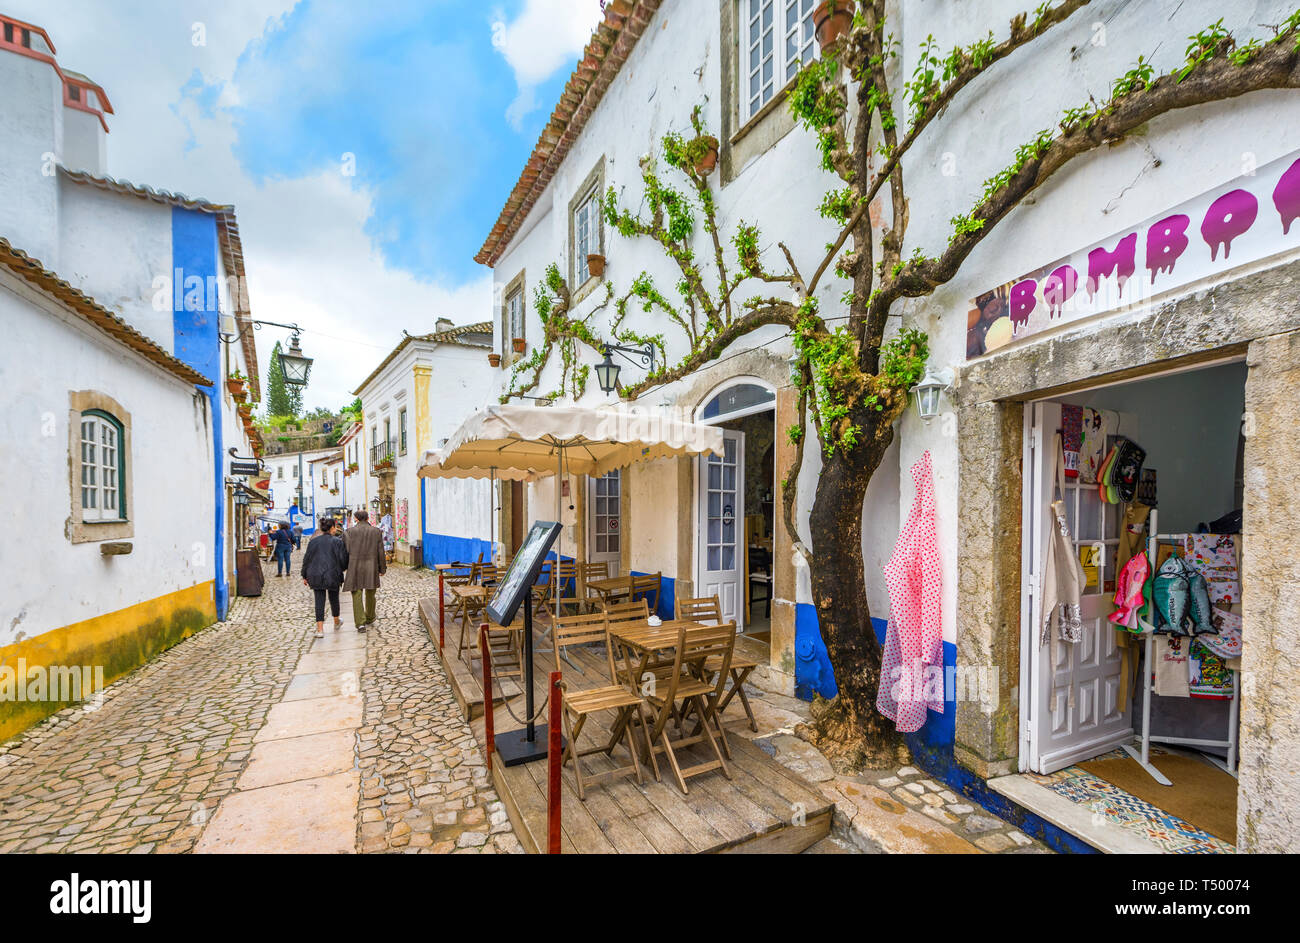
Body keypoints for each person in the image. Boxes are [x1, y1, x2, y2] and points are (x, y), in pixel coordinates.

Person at [301, 517, 349, 638]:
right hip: (332, 573)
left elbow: (307, 559)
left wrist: (304, 575)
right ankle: (336, 621)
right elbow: (343, 559)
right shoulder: (337, 541)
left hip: (315, 573)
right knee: (334, 598)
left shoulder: (313, 542)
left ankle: (320, 629)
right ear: (332, 527)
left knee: (319, 600)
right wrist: (341, 569)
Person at [342, 509, 385, 631]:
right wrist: (382, 568)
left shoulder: (348, 532)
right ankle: (370, 616)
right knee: (371, 593)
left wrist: (345, 567)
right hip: (371, 566)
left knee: (356, 594)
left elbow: (345, 552)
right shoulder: (376, 532)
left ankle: (360, 623)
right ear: (367, 518)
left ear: (356, 518)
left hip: (354, 566)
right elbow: (380, 552)